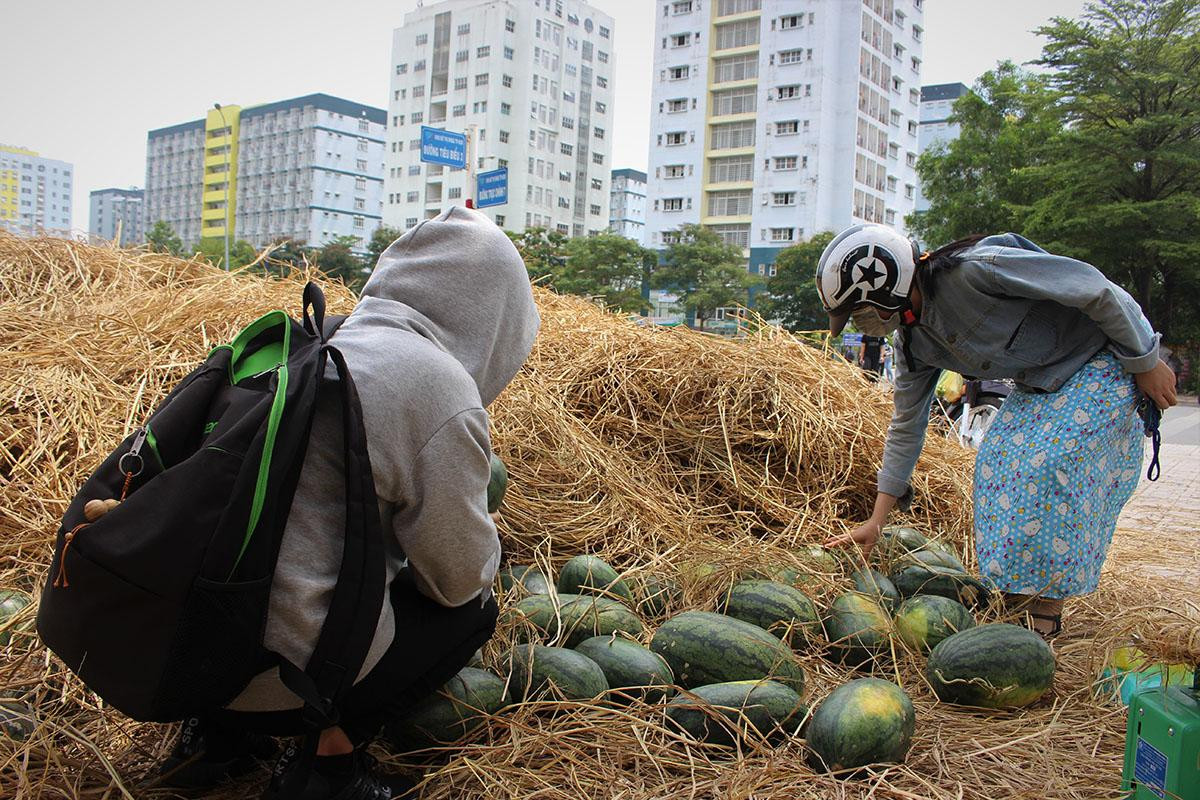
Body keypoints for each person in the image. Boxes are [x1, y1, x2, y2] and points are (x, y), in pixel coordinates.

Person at [158, 206, 541, 798]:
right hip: (275, 683)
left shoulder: (313, 340)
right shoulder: (436, 386)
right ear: (496, 317)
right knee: (471, 611)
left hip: (177, 652)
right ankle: (328, 766)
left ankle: (216, 741)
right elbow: (457, 578)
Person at [815, 225, 1177, 637]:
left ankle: (1046, 610)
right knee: (993, 465)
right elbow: (906, 426)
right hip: (1043, 381)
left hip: (1103, 359)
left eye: (858, 311)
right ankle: (1015, 595)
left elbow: (1095, 289)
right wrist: (877, 521)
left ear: (885, 284)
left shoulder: (980, 271)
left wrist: (1144, 361)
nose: (860, 324)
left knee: (1045, 466)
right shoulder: (913, 343)